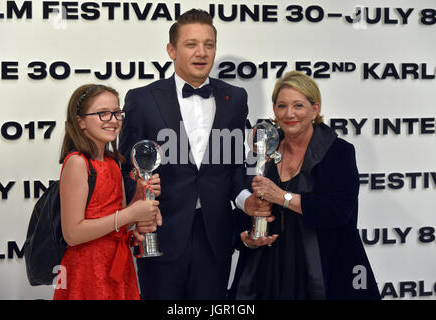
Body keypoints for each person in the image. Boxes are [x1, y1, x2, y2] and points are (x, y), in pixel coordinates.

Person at [119, 9, 269, 299]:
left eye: (209, 44)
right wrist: (138, 209)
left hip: (215, 236)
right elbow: (126, 168)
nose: (202, 53)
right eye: (191, 44)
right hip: (159, 232)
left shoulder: (235, 98)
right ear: (171, 50)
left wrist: (245, 201)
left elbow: (234, 165)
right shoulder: (142, 99)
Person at [231, 71, 381, 300]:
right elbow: (246, 211)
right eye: (282, 106)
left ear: (315, 109)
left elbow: (338, 212)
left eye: (298, 105)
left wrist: (282, 197)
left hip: (322, 271)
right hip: (265, 273)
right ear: (274, 110)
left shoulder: (338, 152)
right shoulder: (262, 151)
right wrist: (247, 238)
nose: (289, 114)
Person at [53, 84, 161, 300]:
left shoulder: (112, 163)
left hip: (118, 266)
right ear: (80, 121)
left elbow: (118, 221)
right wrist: (131, 214)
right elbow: (72, 234)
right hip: (88, 270)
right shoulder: (77, 163)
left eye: (116, 112)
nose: (113, 120)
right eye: (103, 114)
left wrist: (139, 197)